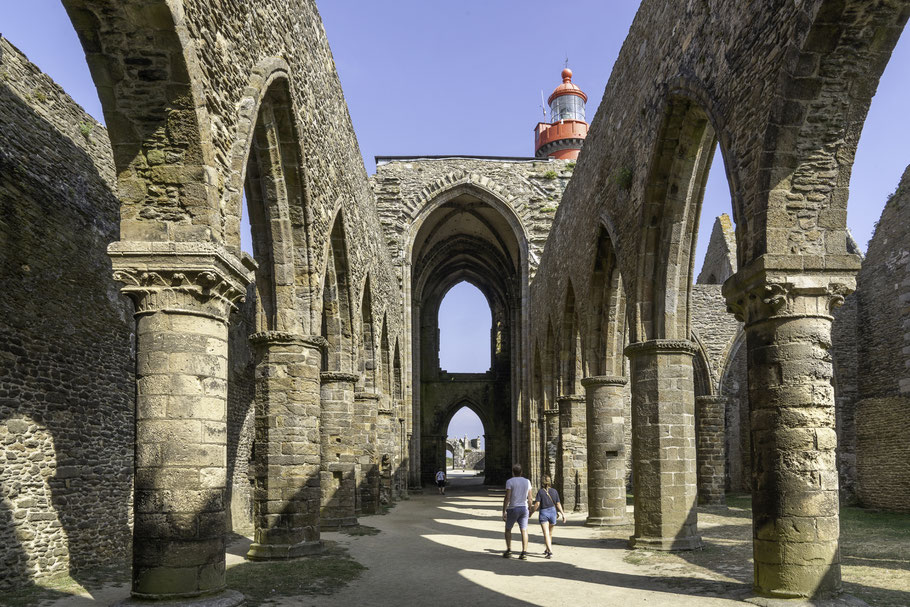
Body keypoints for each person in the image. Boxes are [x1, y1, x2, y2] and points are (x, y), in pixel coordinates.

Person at [502, 463, 534, 560]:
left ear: (513, 472)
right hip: (524, 508)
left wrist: (504, 511)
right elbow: (530, 498)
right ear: (521, 472)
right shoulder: (527, 481)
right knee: (524, 530)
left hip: (513, 508)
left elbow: (507, 497)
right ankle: (524, 552)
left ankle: (509, 550)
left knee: (508, 529)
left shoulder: (510, 481)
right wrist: (529, 508)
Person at [531, 474, 566, 559]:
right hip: (553, 513)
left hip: (544, 513)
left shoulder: (540, 492)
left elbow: (537, 504)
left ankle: (550, 552)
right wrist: (563, 514)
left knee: (546, 533)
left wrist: (531, 512)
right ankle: (547, 549)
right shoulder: (554, 491)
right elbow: (558, 503)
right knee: (550, 533)